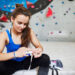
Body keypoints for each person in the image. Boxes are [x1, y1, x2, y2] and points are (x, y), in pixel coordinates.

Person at [0, 6, 50, 75]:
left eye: (25, 24)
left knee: (45, 58)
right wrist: (16, 54)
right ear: (12, 19)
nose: (22, 27)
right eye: (19, 23)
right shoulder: (4, 35)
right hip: (11, 63)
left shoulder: (29, 31)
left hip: (27, 62)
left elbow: (39, 46)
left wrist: (38, 50)